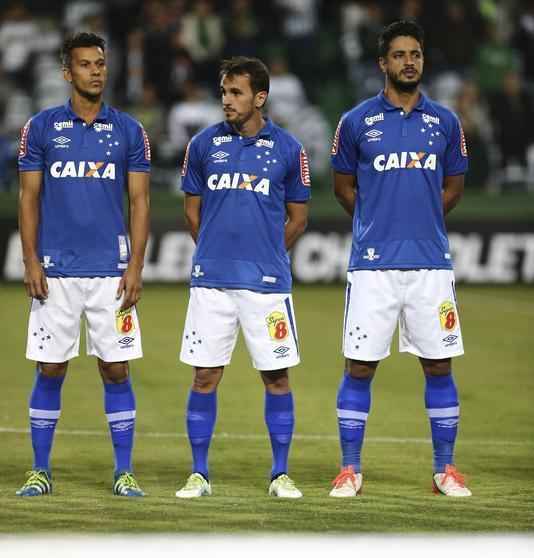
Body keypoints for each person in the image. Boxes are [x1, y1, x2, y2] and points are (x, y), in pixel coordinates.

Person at [330, 19, 471, 498]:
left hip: (431, 264)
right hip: (373, 266)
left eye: (415, 54)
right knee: (359, 366)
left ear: (422, 60)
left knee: (439, 365)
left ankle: (445, 470)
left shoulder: (446, 123)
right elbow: (343, 187)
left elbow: (452, 186)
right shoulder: (355, 122)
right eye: (399, 55)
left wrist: (420, 219)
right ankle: (350, 470)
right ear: (382, 64)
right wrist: (378, 221)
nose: (409, 62)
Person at [17, 31, 151, 497]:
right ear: (66, 72)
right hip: (55, 273)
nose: (96, 70)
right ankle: (39, 470)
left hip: (111, 275)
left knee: (116, 370)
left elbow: (139, 201)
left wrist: (135, 266)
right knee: (50, 369)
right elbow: (28, 196)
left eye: (100, 63)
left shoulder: (130, 130)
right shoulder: (40, 128)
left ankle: (124, 471)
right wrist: (31, 259)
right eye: (86, 64)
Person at [176, 55, 310, 499]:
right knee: (204, 377)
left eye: (236, 93)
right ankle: (199, 473)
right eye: (224, 92)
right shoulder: (202, 145)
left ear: (260, 97)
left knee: (276, 377)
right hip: (211, 281)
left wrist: (266, 253)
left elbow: (298, 217)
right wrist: (217, 249)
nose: (227, 101)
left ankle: (280, 474)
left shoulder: (290, 149)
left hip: (266, 285)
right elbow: (192, 211)